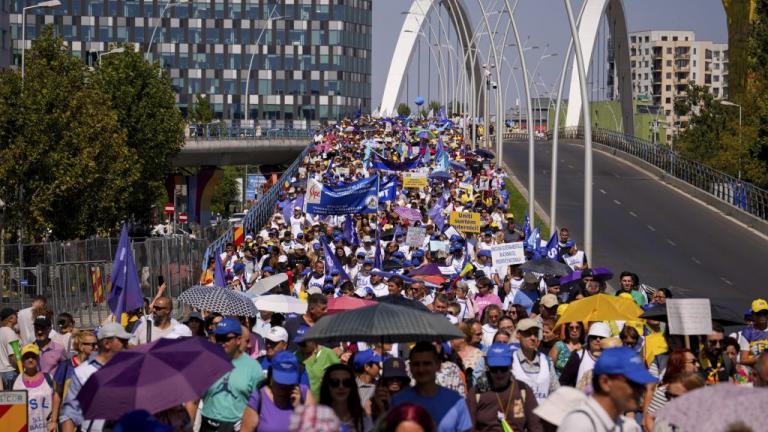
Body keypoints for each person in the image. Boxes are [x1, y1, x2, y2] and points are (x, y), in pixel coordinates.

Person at [557, 347, 656, 432]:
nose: (640, 390)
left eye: (641, 384)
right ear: (605, 382)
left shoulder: (629, 426)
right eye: (632, 383)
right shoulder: (579, 425)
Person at [60, 322, 131, 432]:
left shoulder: (129, 370)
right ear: (107, 344)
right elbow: (70, 414)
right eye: (123, 341)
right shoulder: (82, 372)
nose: (127, 346)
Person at [389, 342, 472, 432]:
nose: (421, 369)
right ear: (410, 367)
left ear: (438, 365)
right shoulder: (398, 401)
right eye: (416, 364)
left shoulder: (456, 401)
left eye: (426, 364)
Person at [200, 317, 264, 431]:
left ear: (239, 339)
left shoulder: (254, 368)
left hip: (236, 427)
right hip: (207, 425)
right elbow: (193, 399)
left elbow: (260, 405)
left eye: (226, 339)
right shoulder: (205, 362)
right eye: (219, 338)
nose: (222, 343)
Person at [467, 343, 543, 432]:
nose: (499, 374)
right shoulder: (477, 392)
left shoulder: (522, 390)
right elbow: (468, 428)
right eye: (494, 369)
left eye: (503, 368)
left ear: (510, 366)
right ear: (487, 367)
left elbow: (536, 426)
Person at [241, 351, 313, 432]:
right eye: (280, 382)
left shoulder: (304, 394)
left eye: (289, 383)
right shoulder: (258, 398)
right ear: (271, 376)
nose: (284, 387)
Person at [13, 343, 60, 432]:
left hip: (47, 428)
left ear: (38, 359)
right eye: (27, 357)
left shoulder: (49, 378)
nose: (30, 360)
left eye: (33, 357)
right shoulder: (17, 381)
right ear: (22, 360)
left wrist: (54, 421)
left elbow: (56, 399)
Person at [511, 318, 559, 402]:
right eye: (528, 334)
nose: (533, 338)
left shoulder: (547, 362)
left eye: (535, 334)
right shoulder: (511, 361)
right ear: (518, 335)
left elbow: (556, 392)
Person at [319, 363, 373, 432]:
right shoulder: (316, 417)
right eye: (334, 382)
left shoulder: (363, 419)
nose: (341, 387)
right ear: (327, 386)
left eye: (346, 382)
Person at [52, 330, 97, 400]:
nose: (96, 347)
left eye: (97, 344)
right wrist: (55, 411)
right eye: (93, 345)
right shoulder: (65, 366)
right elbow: (57, 393)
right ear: (81, 346)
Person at [296, 336, 340, 401]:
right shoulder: (295, 356)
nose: (301, 346)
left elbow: (341, 374)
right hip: (302, 404)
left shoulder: (328, 353)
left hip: (323, 405)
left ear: (313, 340)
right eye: (298, 343)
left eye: (303, 343)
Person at [739, 298, 768, 367]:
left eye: (765, 313)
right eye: (759, 314)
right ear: (753, 314)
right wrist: (761, 359)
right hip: (755, 370)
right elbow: (743, 360)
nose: (762, 316)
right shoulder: (747, 332)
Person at [0, 307, 20, 389]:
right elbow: (13, 356)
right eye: (16, 315)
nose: (17, 317)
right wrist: (20, 371)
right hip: (10, 372)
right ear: (11, 318)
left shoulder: (1, 331)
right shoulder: (10, 333)